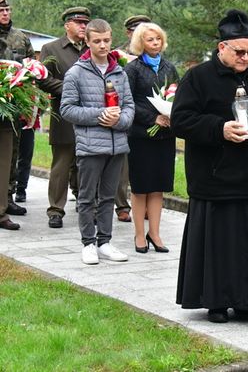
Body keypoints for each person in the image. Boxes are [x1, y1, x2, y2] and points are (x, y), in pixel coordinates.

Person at [171, 9, 248, 323]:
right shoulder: (198, 78)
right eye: (239, 51)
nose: (246, 58)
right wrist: (218, 129)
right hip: (218, 178)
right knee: (221, 245)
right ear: (221, 47)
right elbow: (180, 121)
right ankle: (218, 302)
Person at [60, 19, 134, 265]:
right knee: (86, 197)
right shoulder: (76, 73)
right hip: (91, 145)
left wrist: (120, 121)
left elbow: (129, 106)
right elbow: (68, 110)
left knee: (109, 196)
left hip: (117, 144)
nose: (103, 45)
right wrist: (99, 115)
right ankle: (88, 243)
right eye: (97, 41)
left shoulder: (119, 72)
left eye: (106, 40)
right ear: (87, 42)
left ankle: (105, 242)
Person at [124, 22, 178, 254]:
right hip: (141, 135)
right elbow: (128, 100)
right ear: (140, 43)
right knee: (141, 186)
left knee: (158, 187)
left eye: (157, 39)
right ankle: (139, 234)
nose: (155, 43)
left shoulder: (169, 67)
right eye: (149, 40)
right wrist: (152, 118)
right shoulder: (133, 69)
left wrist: (170, 114)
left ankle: (154, 233)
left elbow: (178, 93)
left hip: (165, 135)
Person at [39, 7, 91, 228]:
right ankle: (56, 210)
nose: (83, 26)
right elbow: (43, 78)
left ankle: (85, 202)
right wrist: (72, 88)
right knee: (62, 163)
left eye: (85, 22)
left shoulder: (93, 48)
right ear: (67, 25)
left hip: (89, 115)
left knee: (86, 161)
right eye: (78, 22)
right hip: (63, 113)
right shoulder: (51, 48)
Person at [113, 14, 152, 223]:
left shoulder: (155, 54)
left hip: (151, 117)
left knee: (146, 162)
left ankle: (145, 204)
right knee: (124, 165)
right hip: (127, 114)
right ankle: (122, 205)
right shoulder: (119, 54)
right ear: (129, 33)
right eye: (138, 29)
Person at [0, 0, 34, 217]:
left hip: (15, 103)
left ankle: (8, 195)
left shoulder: (20, 38)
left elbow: (32, 67)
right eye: (0, 11)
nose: (5, 13)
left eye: (7, 10)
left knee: (12, 151)